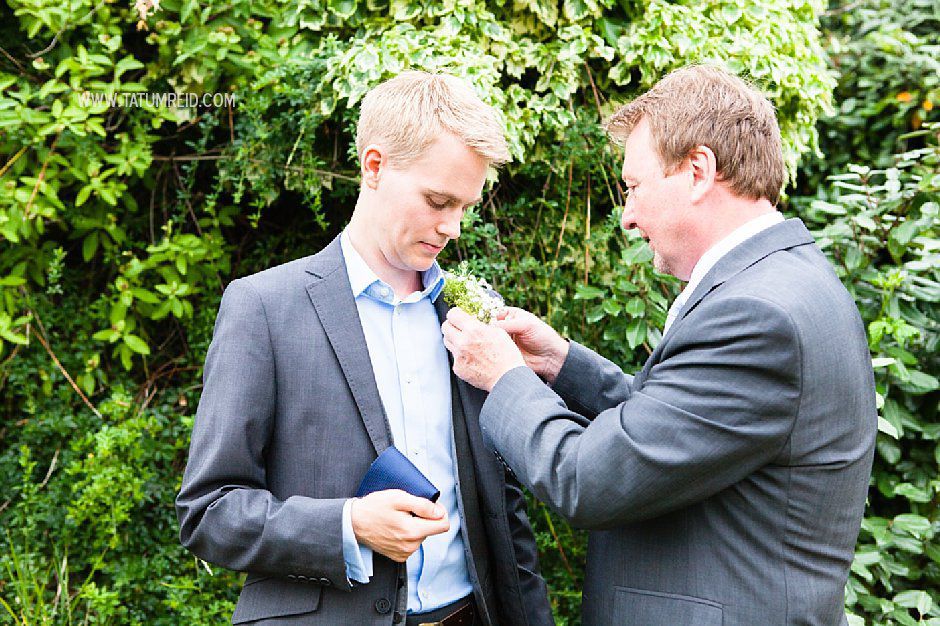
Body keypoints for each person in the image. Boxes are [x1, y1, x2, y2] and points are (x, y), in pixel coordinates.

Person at [441, 65, 876, 625]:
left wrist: (506, 379)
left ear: (698, 171)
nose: (627, 217)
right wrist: (558, 364)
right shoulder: (780, 281)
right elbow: (681, 426)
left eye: (634, 187)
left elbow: (587, 480)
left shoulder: (756, 315)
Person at [176, 71, 553, 626]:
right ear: (374, 166)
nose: (452, 226)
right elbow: (209, 512)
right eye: (436, 200)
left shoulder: (472, 318)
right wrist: (348, 525)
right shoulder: (263, 307)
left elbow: (505, 510)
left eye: (465, 207)